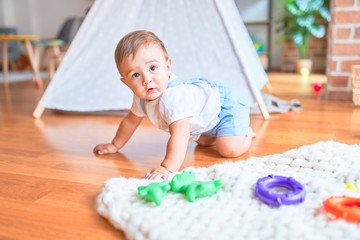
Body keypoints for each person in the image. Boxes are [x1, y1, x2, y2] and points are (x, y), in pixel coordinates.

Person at [93, 30, 254, 180]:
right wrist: (115, 145)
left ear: (167, 66)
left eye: (153, 68)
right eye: (135, 75)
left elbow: (180, 135)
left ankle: (245, 134)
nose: (146, 79)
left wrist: (167, 168)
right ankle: (223, 132)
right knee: (203, 141)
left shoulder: (173, 97)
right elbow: (130, 121)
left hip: (224, 106)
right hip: (205, 118)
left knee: (228, 149)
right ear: (126, 82)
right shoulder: (141, 97)